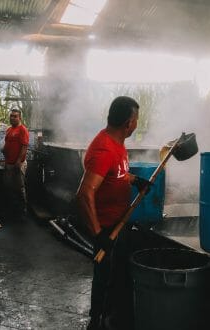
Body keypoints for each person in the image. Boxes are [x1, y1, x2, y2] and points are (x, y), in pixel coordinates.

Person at [77, 96, 151, 330]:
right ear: (129, 123)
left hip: (119, 222)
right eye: (136, 119)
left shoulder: (116, 143)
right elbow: (84, 193)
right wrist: (99, 234)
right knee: (104, 278)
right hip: (107, 226)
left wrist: (135, 180)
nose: (136, 123)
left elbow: (115, 174)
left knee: (117, 276)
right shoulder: (104, 148)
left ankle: (112, 318)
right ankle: (96, 321)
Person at [2, 108, 29, 217]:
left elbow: (24, 146)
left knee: (19, 188)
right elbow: (7, 144)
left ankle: (23, 211)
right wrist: (4, 152)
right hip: (9, 163)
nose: (12, 118)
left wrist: (18, 162)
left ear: (20, 118)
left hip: (18, 164)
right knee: (9, 187)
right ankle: (12, 209)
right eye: (11, 116)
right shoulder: (9, 130)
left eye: (15, 116)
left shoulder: (22, 129)